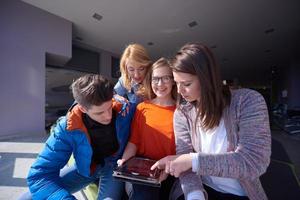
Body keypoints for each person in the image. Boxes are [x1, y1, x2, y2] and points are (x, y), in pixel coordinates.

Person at [151, 43, 271, 200]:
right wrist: (194, 194)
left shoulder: (248, 101)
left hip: (241, 194)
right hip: (202, 189)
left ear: (206, 78)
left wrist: (193, 160)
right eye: (176, 83)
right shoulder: (182, 113)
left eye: (186, 84)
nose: (179, 91)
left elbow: (253, 162)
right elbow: (184, 161)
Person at [20, 74, 136, 200]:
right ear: (82, 108)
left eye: (109, 108)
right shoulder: (67, 127)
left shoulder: (126, 110)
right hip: (86, 169)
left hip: (114, 167)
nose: (108, 116)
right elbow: (40, 175)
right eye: (99, 112)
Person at [117, 58, 177, 200]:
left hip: (171, 170)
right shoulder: (142, 108)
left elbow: (184, 149)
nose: (160, 84)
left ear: (174, 80)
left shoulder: (182, 111)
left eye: (166, 78)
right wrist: (124, 160)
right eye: (155, 79)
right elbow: (133, 142)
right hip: (143, 169)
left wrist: (167, 170)